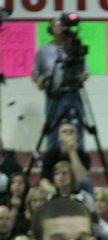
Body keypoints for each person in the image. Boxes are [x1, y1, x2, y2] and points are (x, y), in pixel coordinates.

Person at [32, 17, 88, 150]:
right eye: (57, 24)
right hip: (53, 95)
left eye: (63, 24)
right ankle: (54, 161)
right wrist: (39, 81)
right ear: (50, 28)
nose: (60, 27)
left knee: (77, 126)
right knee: (52, 128)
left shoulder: (75, 48)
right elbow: (35, 72)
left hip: (73, 93)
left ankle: (79, 159)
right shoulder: (44, 50)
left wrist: (79, 78)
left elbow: (85, 72)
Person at [40, 120, 92, 195]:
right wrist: (58, 192)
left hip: (77, 192)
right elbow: (44, 181)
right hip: (55, 190)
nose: (68, 133)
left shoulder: (83, 155)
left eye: (71, 132)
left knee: (88, 182)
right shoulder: (50, 155)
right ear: (59, 136)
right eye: (64, 131)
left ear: (77, 136)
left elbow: (82, 178)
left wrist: (72, 151)